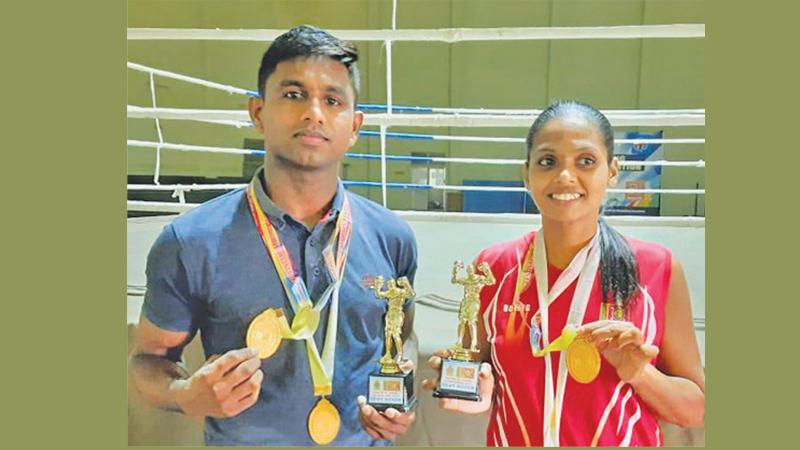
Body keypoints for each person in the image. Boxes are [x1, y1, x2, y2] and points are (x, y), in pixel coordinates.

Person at [128, 25, 418, 446]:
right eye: (294, 94)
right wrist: (185, 394)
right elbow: (147, 361)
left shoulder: (393, 238)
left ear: (354, 127)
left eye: (332, 100)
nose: (314, 113)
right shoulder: (190, 242)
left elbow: (403, 335)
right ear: (259, 112)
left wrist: (402, 392)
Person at [422, 100, 705, 446]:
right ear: (527, 174)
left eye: (586, 161)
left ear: (612, 172)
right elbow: (484, 380)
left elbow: (695, 410)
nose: (565, 176)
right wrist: (469, 392)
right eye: (548, 161)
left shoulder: (656, 268)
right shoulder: (494, 268)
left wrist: (640, 374)